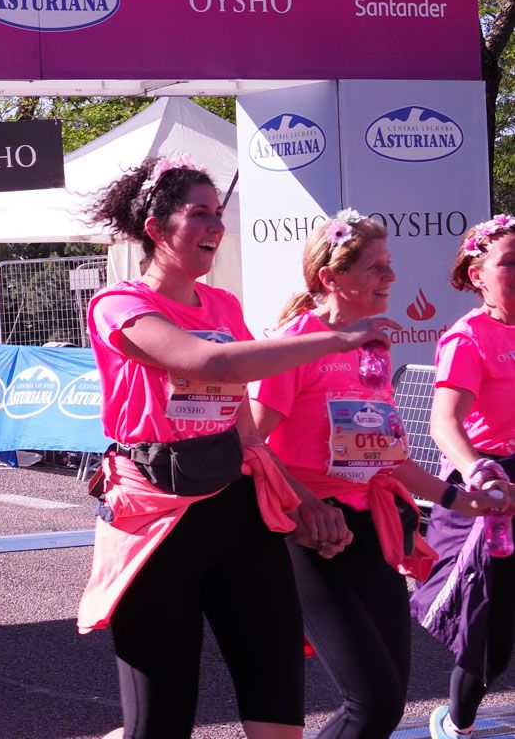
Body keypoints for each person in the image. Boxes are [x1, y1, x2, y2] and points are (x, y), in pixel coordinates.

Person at [78, 155, 400, 738]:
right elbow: (207, 362)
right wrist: (335, 338)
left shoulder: (223, 307)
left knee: (277, 705)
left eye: (218, 214)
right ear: (156, 228)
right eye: (199, 214)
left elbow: (247, 432)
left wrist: (304, 503)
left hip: (238, 511)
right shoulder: (118, 305)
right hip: (158, 518)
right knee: (160, 723)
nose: (215, 228)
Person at [253, 211, 503, 739]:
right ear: (332, 278)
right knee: (371, 702)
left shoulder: (371, 347)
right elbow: (250, 441)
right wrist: (307, 506)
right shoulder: (296, 341)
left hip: (373, 532)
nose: (390, 277)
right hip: (312, 537)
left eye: (389, 265)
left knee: (386, 705)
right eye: (375, 268)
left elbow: (388, 460)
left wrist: (463, 500)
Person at [414, 215, 515, 739]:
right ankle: (456, 723)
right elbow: (444, 422)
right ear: (477, 274)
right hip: (493, 486)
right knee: (490, 641)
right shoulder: (469, 337)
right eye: (510, 263)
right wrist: (481, 472)